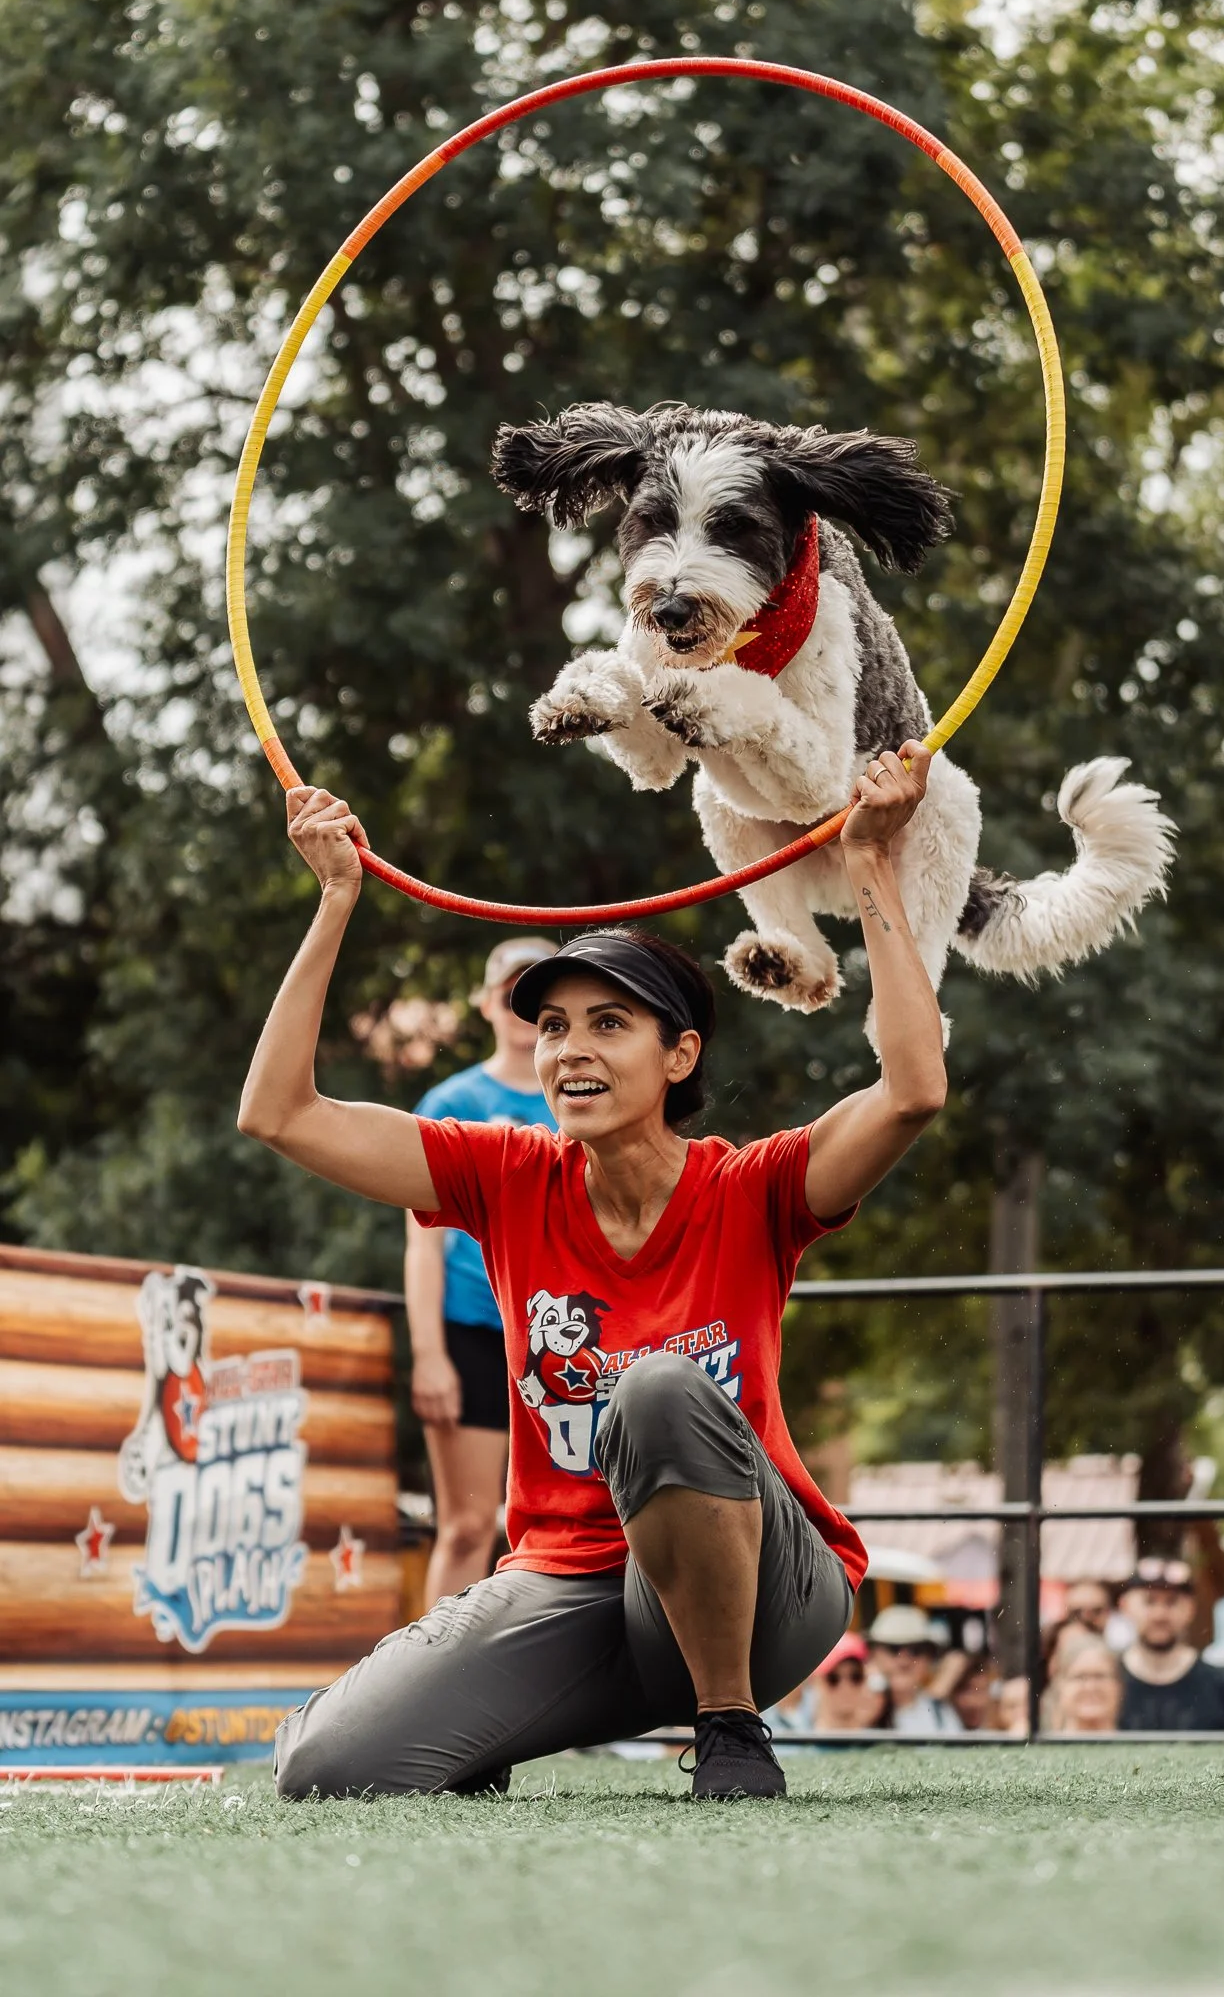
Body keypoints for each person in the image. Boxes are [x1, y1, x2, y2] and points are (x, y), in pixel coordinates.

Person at [238, 738, 947, 1802]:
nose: (569, 1047)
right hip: (571, 1582)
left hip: (770, 1599)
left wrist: (869, 863)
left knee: (658, 1389)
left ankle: (728, 1727)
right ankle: (516, 1717)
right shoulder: (505, 1171)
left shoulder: (753, 1187)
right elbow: (278, 1112)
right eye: (554, 1024)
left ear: (681, 1054)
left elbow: (913, 1090)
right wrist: (337, 897)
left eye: (610, 1023)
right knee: (324, 1768)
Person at [406, 935, 556, 1606]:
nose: (522, 1012)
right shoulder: (449, 1102)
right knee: (466, 1525)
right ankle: (428, 1690)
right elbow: (421, 1244)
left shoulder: (586, 1092)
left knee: (573, 1525)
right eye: (510, 994)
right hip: (473, 1328)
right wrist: (429, 1354)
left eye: (537, 997)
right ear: (487, 1004)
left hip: (566, 1331)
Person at [1117, 1559, 1224, 1733]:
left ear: (1191, 1609)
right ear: (1125, 1606)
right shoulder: (1102, 1682)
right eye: (1150, 1601)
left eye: (1172, 1602)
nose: (1160, 1614)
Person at [866, 1604, 961, 1735]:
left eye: (916, 1651)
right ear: (873, 1655)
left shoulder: (941, 1712)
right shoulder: (853, 1709)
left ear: (929, 1658)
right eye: (893, 1649)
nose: (904, 1661)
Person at [811, 1633, 889, 1733]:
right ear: (817, 1681)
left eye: (855, 1677)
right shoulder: (795, 1744)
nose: (846, 1687)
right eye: (833, 1679)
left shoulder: (882, 1746)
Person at [1048, 1636, 1123, 1734]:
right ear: (1060, 1685)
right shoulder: (1040, 1748)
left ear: (1118, 1685)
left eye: (1100, 1676)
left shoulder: (1137, 1747)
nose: (1090, 1687)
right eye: (1080, 1677)